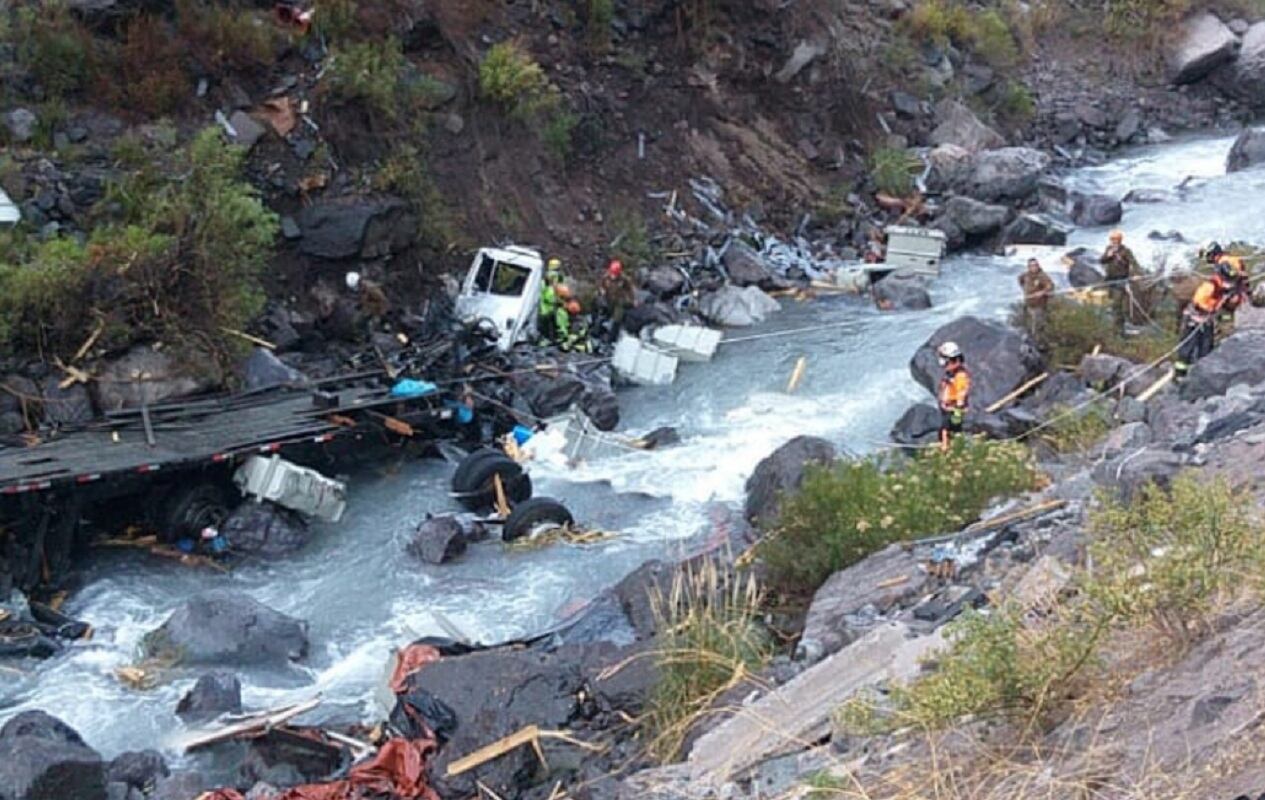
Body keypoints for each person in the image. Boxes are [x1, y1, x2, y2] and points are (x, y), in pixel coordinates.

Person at [1174, 259, 1236, 381]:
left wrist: (1221, 316)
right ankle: (1179, 376)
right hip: (1194, 320)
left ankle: (1202, 374)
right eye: (1227, 281)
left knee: (1206, 347)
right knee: (1187, 348)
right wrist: (1209, 312)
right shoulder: (1209, 286)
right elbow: (1199, 303)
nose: (1229, 284)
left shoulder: (1224, 290)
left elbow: (1222, 307)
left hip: (1207, 321)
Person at [1099, 230, 1140, 335]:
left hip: (1121, 281)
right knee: (1111, 304)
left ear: (1120, 240)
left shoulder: (1125, 251)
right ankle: (1114, 327)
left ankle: (1119, 330)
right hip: (1110, 280)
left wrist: (1136, 274)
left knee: (1117, 305)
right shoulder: (1109, 249)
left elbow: (1133, 262)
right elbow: (1102, 261)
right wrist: (1108, 256)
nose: (1113, 241)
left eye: (1115, 239)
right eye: (1112, 239)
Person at [937, 341, 970, 452]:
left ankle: (946, 448)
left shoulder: (960, 377)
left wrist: (957, 409)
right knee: (946, 429)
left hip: (953, 409)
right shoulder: (951, 374)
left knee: (948, 429)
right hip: (948, 407)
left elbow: (961, 393)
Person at [598, 259, 637, 341]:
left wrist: (633, 300)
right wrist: (602, 291)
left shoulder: (624, 279)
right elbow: (601, 285)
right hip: (608, 300)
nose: (613, 275)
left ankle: (611, 338)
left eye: (615, 273)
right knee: (603, 315)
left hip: (619, 301)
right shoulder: (606, 277)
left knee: (617, 319)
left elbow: (630, 290)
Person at [1017, 258, 1055, 342]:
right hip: (1028, 304)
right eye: (1031, 266)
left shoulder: (1042, 276)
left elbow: (1050, 286)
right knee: (1026, 325)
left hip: (1039, 306)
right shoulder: (1026, 275)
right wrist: (1025, 290)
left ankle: (1038, 343)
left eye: (1035, 265)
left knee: (1037, 327)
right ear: (1028, 267)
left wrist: (1042, 292)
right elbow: (1020, 280)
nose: (1034, 267)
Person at [538, 259, 565, 343]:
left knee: (546, 326)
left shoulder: (543, 279)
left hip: (544, 308)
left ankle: (548, 339)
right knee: (552, 325)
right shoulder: (555, 278)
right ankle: (553, 339)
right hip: (550, 307)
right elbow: (551, 295)